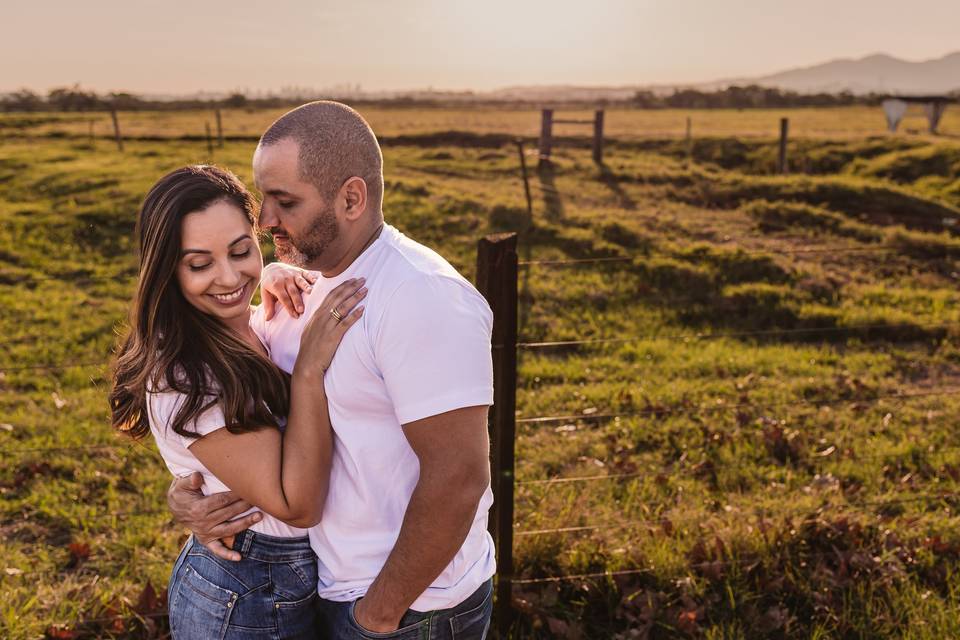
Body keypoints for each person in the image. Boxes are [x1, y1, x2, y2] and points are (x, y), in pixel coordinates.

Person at [167, 101, 497, 639]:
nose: (266, 219)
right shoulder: (309, 276)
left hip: (410, 605)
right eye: (263, 199)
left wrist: (381, 613)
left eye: (286, 202)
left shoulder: (421, 297)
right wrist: (189, 492)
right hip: (325, 585)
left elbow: (459, 477)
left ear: (351, 198)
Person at [109, 164, 367, 639]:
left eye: (240, 250)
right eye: (199, 264)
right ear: (166, 269)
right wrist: (308, 371)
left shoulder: (252, 320)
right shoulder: (183, 374)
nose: (228, 277)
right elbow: (298, 505)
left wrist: (272, 274)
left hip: (301, 575)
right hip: (246, 588)